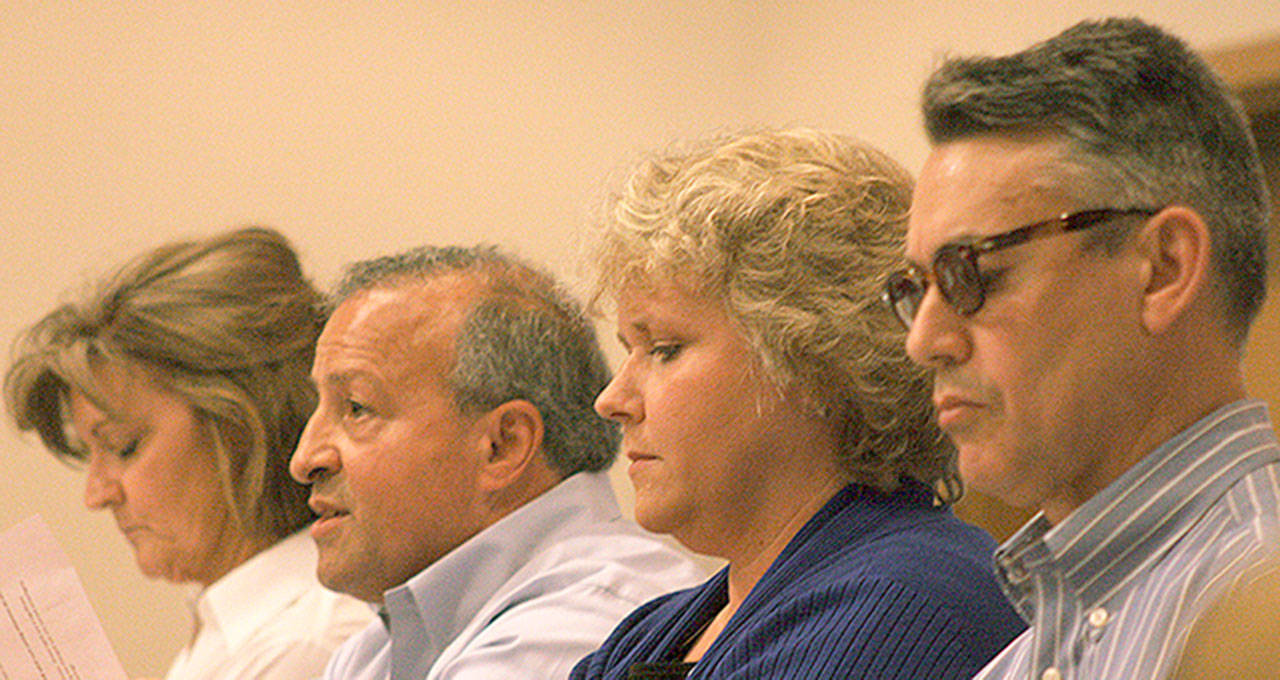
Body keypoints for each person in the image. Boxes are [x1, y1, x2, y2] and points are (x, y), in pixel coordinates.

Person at [882, 17, 1280, 680]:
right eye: (913, 288)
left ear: (1163, 268)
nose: (924, 341)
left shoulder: (1259, 602)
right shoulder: (1014, 662)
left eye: (971, 272)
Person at [571, 128, 1025, 680]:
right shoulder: (659, 628)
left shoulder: (901, 606)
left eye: (664, 349)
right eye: (629, 351)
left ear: (815, 359)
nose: (612, 401)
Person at [290, 244, 704, 680]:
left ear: (502, 446)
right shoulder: (372, 652)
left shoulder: (586, 626)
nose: (304, 460)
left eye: (356, 408)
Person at [3, 227, 373, 679]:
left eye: (124, 447)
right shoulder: (230, 629)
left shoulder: (306, 643)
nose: (96, 495)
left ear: (239, 428)